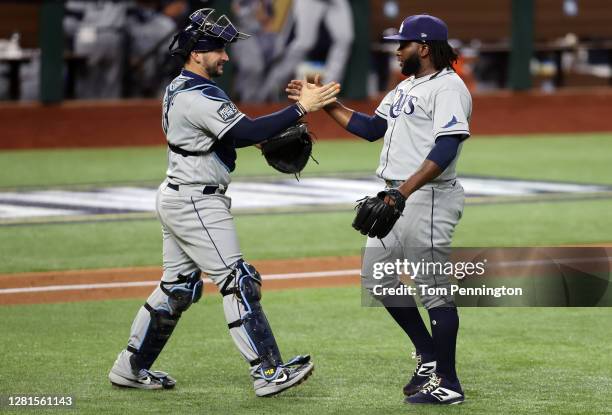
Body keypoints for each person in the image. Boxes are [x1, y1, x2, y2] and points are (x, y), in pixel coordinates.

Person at [108, 8, 340, 397]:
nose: (226, 57)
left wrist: (263, 135)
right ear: (196, 52)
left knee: (178, 288)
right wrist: (302, 108)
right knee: (238, 280)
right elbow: (245, 130)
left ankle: (131, 366)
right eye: (218, 49)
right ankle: (268, 372)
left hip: (180, 195)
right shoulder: (197, 94)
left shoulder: (183, 88)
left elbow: (229, 136)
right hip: (197, 202)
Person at [287, 14, 471, 405]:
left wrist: (401, 193)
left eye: (402, 44)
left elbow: (447, 146)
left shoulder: (448, 88)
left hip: (428, 197)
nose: (397, 50)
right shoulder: (405, 87)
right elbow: (371, 128)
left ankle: (449, 383)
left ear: (423, 48)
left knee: (434, 292)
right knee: (378, 280)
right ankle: (428, 354)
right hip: (395, 196)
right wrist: (327, 105)